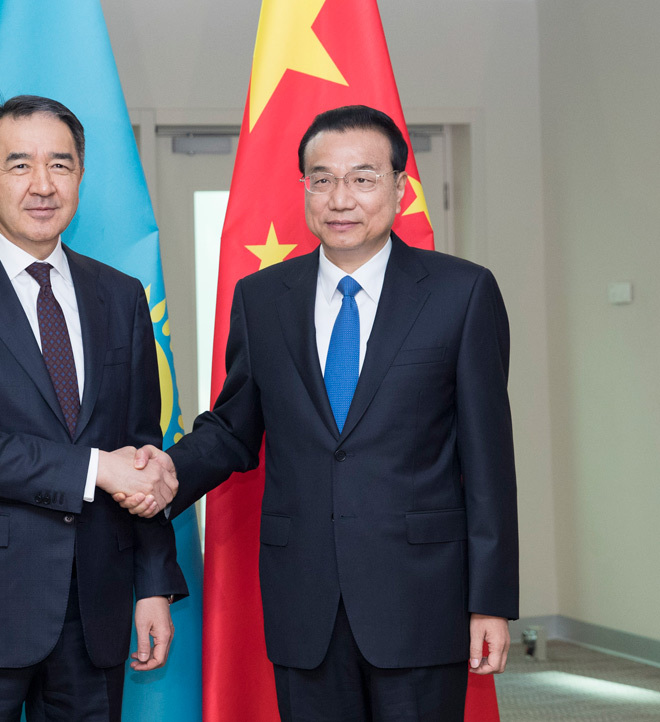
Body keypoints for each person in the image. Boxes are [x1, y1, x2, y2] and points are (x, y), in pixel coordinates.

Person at [124, 105, 518, 721]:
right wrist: (166, 470)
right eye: (322, 178)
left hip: (421, 596)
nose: (341, 198)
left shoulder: (461, 293)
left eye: (363, 178)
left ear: (399, 186)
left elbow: (489, 461)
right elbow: (233, 428)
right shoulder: (262, 298)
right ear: (304, 186)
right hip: (304, 599)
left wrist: (490, 599)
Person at [0, 94, 187, 722]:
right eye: (19, 165)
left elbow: (142, 447)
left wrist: (153, 584)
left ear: (80, 175)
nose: (43, 185)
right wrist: (96, 468)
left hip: (96, 606)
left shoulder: (121, 296)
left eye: (60, 164)